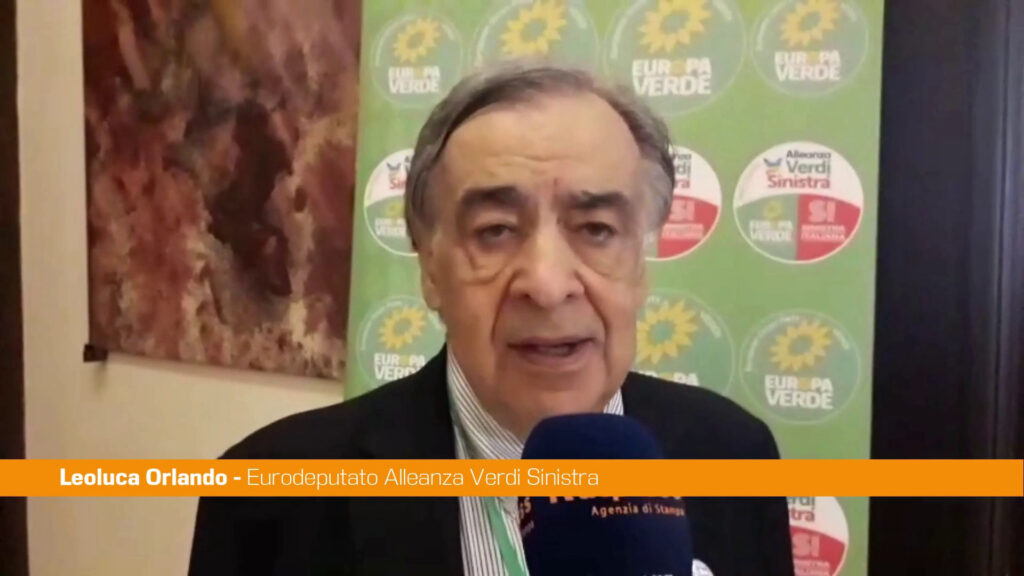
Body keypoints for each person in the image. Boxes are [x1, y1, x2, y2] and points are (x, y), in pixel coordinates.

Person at [189, 63, 795, 576]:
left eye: (596, 230)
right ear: (431, 268)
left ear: (640, 264)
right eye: (496, 231)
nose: (548, 286)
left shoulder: (733, 455)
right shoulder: (269, 494)